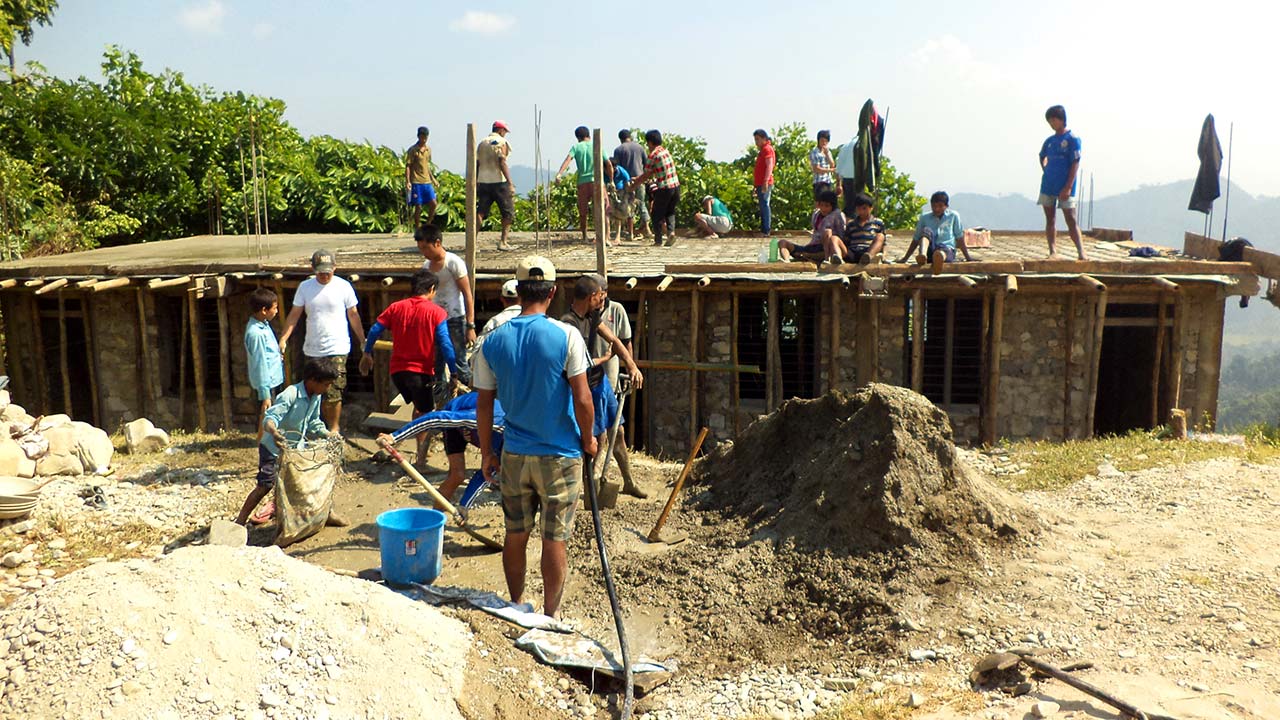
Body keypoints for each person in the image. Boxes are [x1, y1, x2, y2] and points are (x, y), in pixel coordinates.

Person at [474, 256, 597, 619]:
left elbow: (484, 404)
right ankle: (550, 614)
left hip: (514, 453)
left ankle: (515, 604)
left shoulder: (492, 341)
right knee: (554, 536)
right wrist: (589, 439)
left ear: (519, 291)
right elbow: (583, 397)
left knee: (515, 532)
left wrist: (486, 454)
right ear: (553, 291)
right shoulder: (566, 335)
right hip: (559, 454)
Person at [360, 269, 469, 467]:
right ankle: (420, 461)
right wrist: (453, 371)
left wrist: (367, 353)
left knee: (419, 409)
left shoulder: (396, 307)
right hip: (420, 373)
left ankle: (406, 448)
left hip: (397, 372)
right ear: (432, 289)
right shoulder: (436, 312)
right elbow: (445, 344)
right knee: (427, 415)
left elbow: (375, 329)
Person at [559, 275, 646, 500]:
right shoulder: (568, 324)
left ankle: (629, 481)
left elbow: (616, 341)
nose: (603, 299)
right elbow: (579, 363)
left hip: (601, 384)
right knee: (594, 439)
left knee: (618, 431)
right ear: (590, 297)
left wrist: (632, 365)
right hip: (583, 388)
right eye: (600, 296)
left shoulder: (593, 316)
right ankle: (591, 488)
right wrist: (605, 358)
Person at [235, 358, 336, 526]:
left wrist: (327, 434)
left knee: (296, 484)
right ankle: (239, 521)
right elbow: (270, 418)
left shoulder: (315, 397)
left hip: (294, 450)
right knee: (265, 485)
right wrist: (274, 432)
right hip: (272, 449)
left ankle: (300, 516)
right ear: (312, 380)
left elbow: (313, 422)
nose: (328, 388)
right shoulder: (291, 394)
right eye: (326, 384)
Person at [278, 250, 365, 433]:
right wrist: (284, 338)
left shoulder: (344, 287)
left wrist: (362, 340)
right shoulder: (305, 287)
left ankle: (334, 429)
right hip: (313, 348)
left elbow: (353, 315)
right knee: (313, 390)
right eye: (320, 272)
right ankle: (313, 428)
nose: (325, 275)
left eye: (328, 271)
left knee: (333, 391)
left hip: (337, 347)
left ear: (335, 268)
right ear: (313, 269)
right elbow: (295, 315)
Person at [415, 224, 476, 406]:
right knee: (437, 365)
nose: (423, 252)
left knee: (459, 363)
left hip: (454, 319)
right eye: (420, 248)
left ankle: (475, 402)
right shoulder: (426, 265)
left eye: (425, 247)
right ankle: (442, 405)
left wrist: (470, 324)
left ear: (437, 243)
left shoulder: (453, 262)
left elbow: (467, 293)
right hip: (434, 321)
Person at [1039, 105, 1087, 260]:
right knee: (1050, 218)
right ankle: (1052, 251)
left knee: (1071, 219)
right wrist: (1045, 169)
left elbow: (1075, 163)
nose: (1052, 124)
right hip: (1048, 184)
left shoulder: (1072, 139)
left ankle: (1081, 251)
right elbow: (1042, 156)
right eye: (1049, 121)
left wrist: (1067, 186)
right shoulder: (1050, 141)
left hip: (1066, 185)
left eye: (1053, 120)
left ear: (1061, 119)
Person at [627, 129, 680, 247]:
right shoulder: (665, 151)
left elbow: (646, 175)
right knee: (670, 211)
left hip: (665, 188)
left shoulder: (653, 155)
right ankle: (671, 232)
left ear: (650, 142)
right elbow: (655, 172)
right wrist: (638, 178)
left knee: (656, 214)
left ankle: (658, 240)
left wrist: (633, 186)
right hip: (676, 187)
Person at [898, 191, 972, 274]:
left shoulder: (953, 216)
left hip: (947, 250)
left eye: (940, 206)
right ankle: (923, 255)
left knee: (942, 251)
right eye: (934, 206)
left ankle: (939, 258)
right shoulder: (924, 218)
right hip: (929, 251)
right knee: (926, 230)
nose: (936, 209)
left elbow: (959, 237)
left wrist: (968, 257)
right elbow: (916, 239)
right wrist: (905, 258)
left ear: (946, 206)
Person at [244, 287, 283, 443]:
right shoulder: (256, 333)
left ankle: (268, 444)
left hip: (274, 380)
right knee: (266, 416)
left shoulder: (264, 325)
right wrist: (265, 394)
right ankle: (263, 446)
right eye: (274, 308)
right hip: (267, 384)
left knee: (272, 417)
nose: (277, 311)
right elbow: (260, 363)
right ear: (264, 310)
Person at [477, 120, 516, 251]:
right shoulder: (502, 143)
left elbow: (477, 163)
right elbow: (502, 161)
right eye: (504, 131)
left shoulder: (482, 143)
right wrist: (510, 182)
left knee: (480, 211)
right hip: (499, 181)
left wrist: (476, 179)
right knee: (507, 212)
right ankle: (503, 241)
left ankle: (473, 241)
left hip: (483, 180)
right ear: (500, 130)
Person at [778, 190, 845, 264]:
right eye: (821, 205)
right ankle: (786, 261)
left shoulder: (837, 215)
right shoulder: (816, 214)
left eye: (827, 206)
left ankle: (827, 259)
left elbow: (841, 235)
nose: (823, 208)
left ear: (833, 206)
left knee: (827, 232)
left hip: (826, 248)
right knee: (782, 242)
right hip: (812, 247)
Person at [555, 126, 596, 243]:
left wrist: (559, 174)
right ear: (588, 135)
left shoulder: (576, 147)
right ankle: (600, 235)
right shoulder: (596, 145)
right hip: (595, 181)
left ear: (578, 138)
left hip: (582, 181)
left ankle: (584, 236)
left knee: (583, 211)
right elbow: (607, 162)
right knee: (598, 209)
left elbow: (568, 159)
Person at [612, 129, 650, 239]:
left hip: (627, 181)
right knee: (641, 203)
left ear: (620, 139)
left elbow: (617, 168)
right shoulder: (640, 147)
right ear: (630, 137)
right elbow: (646, 164)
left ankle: (630, 231)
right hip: (640, 179)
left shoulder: (619, 150)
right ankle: (647, 227)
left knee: (628, 205)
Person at [839, 192, 887, 264]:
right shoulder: (851, 224)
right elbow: (846, 242)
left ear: (871, 208)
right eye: (859, 208)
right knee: (835, 239)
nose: (861, 211)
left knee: (880, 236)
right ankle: (839, 260)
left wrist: (884, 256)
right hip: (853, 252)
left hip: (868, 251)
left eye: (864, 208)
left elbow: (883, 243)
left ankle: (867, 258)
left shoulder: (878, 223)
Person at [405, 126, 438, 228]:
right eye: (422, 137)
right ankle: (418, 227)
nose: (423, 139)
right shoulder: (412, 150)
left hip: (427, 181)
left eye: (425, 137)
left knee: (433, 204)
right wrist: (408, 181)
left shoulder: (428, 150)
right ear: (418, 136)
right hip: (416, 181)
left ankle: (427, 224)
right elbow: (408, 166)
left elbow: (426, 165)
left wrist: (433, 179)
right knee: (418, 206)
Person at [753, 129, 776, 236]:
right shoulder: (762, 150)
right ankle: (763, 230)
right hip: (759, 183)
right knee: (762, 205)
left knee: (765, 205)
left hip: (765, 182)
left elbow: (769, 165)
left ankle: (765, 230)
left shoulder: (767, 149)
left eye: (758, 139)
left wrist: (765, 181)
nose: (756, 142)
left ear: (764, 138)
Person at [810, 130, 837, 199]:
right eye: (822, 140)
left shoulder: (828, 152)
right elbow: (816, 169)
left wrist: (827, 154)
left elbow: (832, 164)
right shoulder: (815, 152)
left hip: (828, 181)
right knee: (819, 202)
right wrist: (831, 170)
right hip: (819, 181)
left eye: (826, 141)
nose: (824, 143)